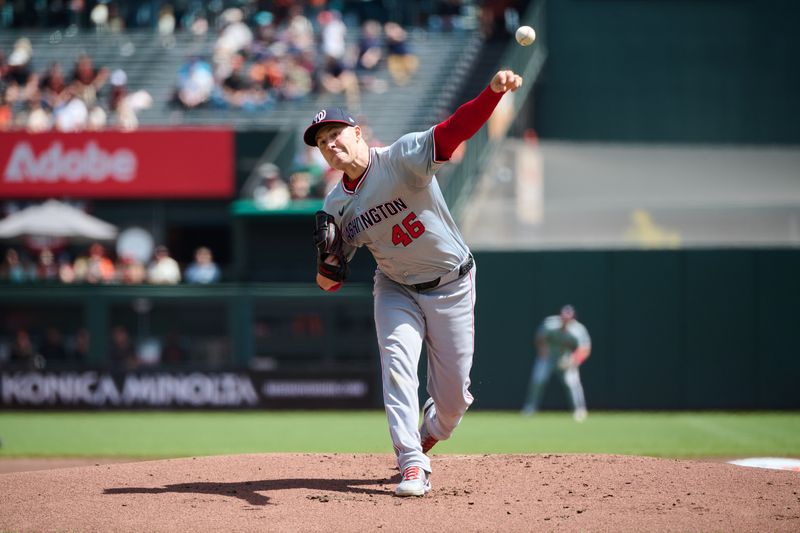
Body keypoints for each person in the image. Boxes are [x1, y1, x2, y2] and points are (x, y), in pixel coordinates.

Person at [305, 69, 523, 497]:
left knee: (453, 405)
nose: (330, 145)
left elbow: (453, 131)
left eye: (335, 133)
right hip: (395, 287)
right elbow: (328, 284)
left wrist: (492, 93)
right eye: (321, 141)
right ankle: (410, 461)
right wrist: (328, 261)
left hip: (451, 283)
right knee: (397, 363)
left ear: (357, 132)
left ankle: (431, 430)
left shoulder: (401, 157)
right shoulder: (335, 204)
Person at [521, 305, 592, 422]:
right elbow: (540, 337)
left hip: (566, 358)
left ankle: (579, 410)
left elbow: (585, 349)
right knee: (538, 380)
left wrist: (574, 360)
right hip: (549, 357)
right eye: (564, 317)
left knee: (572, 383)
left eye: (568, 317)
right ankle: (530, 408)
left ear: (573, 318)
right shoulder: (550, 324)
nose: (565, 319)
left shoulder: (578, 330)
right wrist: (543, 350)